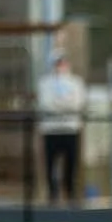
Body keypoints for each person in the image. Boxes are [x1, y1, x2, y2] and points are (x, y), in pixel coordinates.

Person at [36, 49, 86, 206]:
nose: (60, 66)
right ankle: (53, 195)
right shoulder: (44, 83)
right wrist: (64, 104)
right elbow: (46, 104)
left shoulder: (76, 83)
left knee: (71, 164)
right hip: (51, 129)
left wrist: (61, 104)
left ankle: (70, 195)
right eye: (57, 63)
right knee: (51, 163)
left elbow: (77, 103)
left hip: (70, 128)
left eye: (63, 62)